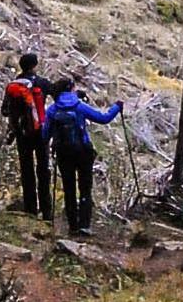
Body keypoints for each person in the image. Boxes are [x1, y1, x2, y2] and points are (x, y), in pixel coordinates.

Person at [42, 77, 123, 236]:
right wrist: (117, 107)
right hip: (83, 151)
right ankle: (84, 225)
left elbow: (45, 135)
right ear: (72, 88)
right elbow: (103, 118)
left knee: (69, 188)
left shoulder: (52, 110)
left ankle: (72, 226)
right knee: (85, 188)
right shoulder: (79, 106)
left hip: (63, 153)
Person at [1, 51, 53, 221]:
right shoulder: (41, 83)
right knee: (43, 170)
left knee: (26, 170)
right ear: (35, 65)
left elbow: (4, 111)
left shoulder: (12, 85)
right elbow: (57, 93)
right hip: (40, 133)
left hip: (22, 134)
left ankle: (30, 210)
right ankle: (47, 212)